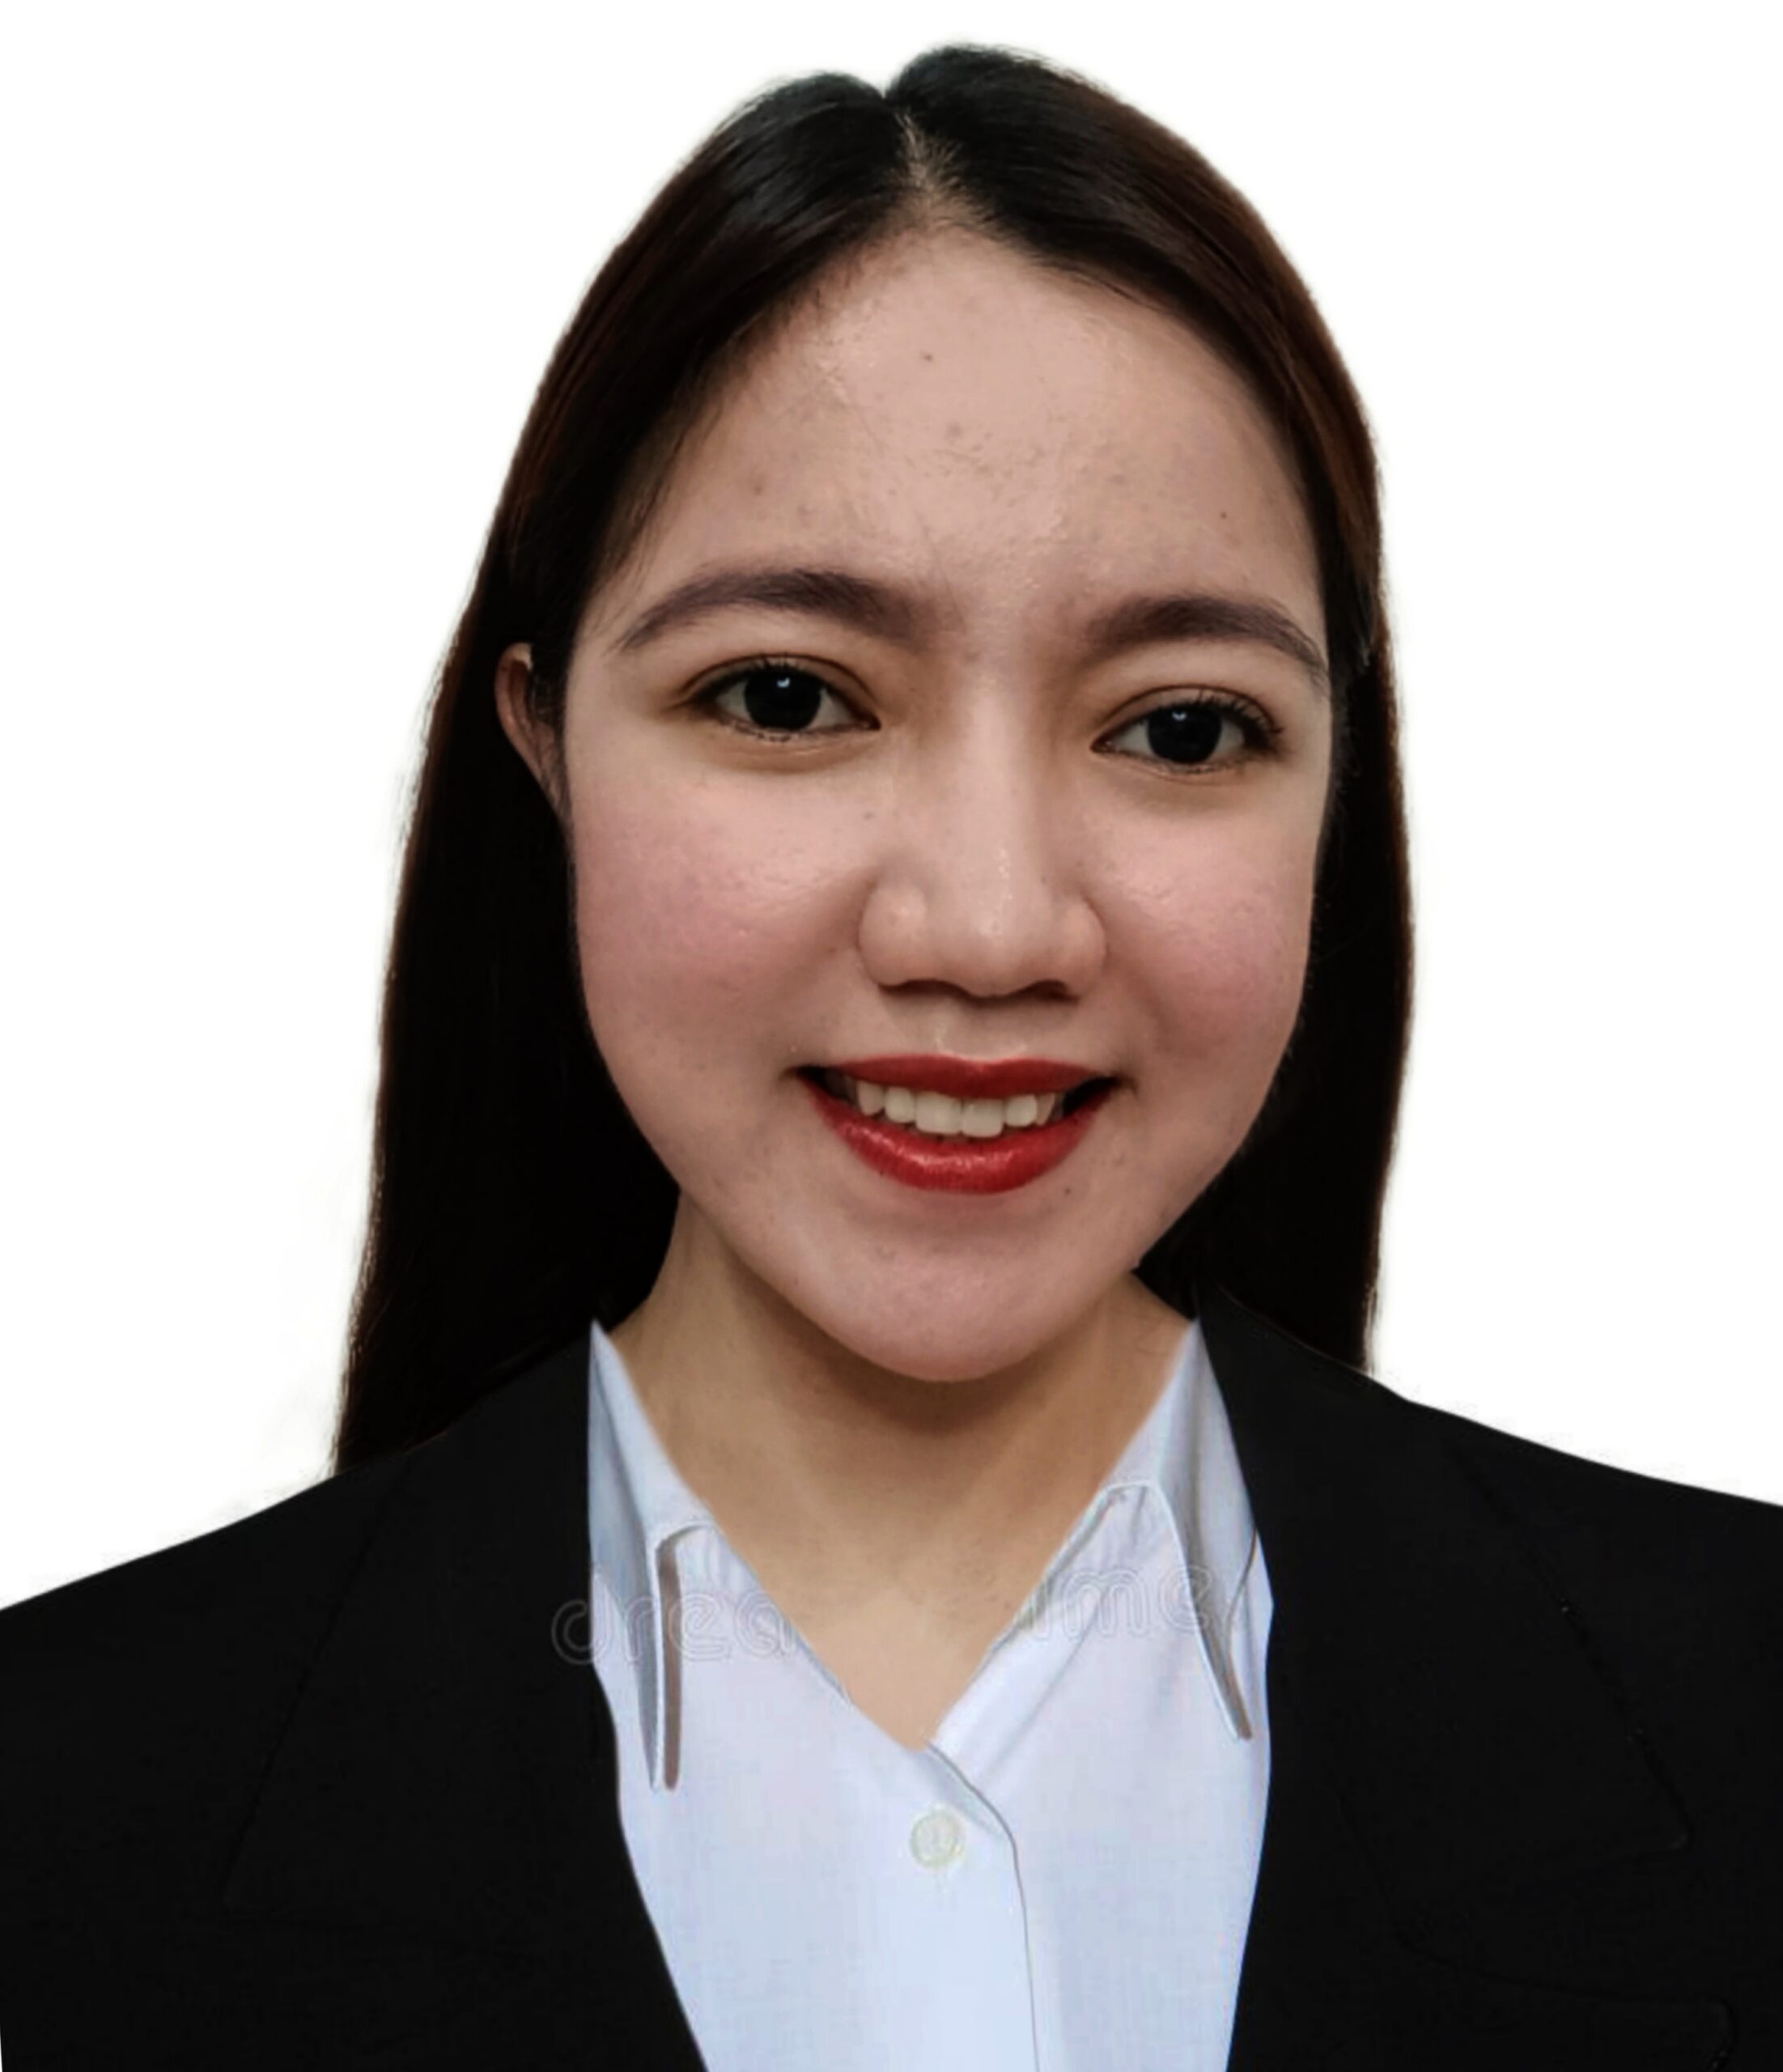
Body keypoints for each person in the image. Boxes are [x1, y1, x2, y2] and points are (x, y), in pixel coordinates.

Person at [2, 40, 1779, 2071]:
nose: (991, 929)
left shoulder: (1738, 1706)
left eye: (1180, 727)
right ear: (543, 740)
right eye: (786, 696)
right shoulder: (64, 1796)